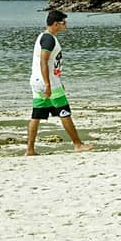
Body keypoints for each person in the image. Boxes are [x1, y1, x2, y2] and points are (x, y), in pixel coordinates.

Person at [26, 10, 87, 155]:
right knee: (64, 112)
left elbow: (52, 64)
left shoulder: (45, 37)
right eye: (63, 23)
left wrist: (56, 80)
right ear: (55, 24)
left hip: (39, 81)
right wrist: (48, 84)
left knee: (36, 115)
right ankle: (78, 145)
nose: (66, 25)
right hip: (47, 82)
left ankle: (30, 150)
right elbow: (44, 62)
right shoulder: (48, 39)